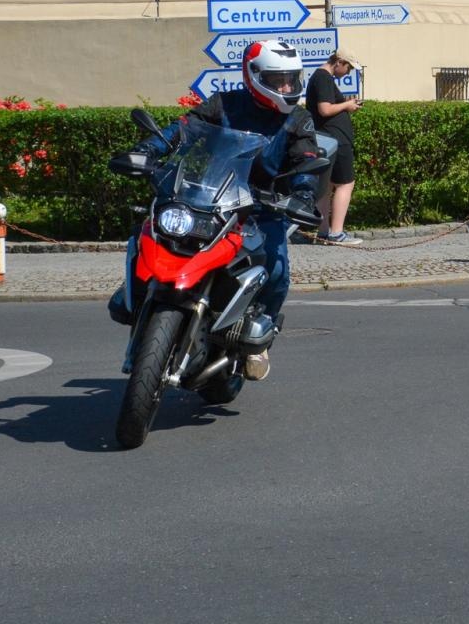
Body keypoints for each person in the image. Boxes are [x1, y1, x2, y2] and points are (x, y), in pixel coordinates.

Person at [108, 38, 320, 382]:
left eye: (291, 79)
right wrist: (149, 150)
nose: (286, 87)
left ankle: (259, 337)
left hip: (262, 207)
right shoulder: (224, 104)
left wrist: (303, 193)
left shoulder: (298, 118)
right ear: (254, 76)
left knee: (276, 268)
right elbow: (181, 129)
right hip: (209, 195)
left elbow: (306, 159)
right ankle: (135, 292)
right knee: (152, 232)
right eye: (278, 80)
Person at [305, 50, 363, 245]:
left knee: (327, 185)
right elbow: (325, 109)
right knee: (345, 184)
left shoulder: (320, 77)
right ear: (339, 62)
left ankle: (324, 232)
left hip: (327, 138)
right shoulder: (323, 78)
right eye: (348, 67)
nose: (348, 72)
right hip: (336, 139)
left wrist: (346, 104)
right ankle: (336, 233)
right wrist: (347, 105)